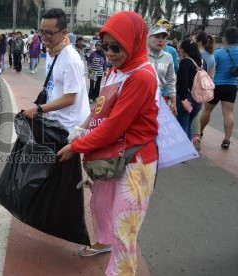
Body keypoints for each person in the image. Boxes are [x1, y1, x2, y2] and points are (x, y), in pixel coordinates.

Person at [57, 11, 159, 276]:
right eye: (106, 46)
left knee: (125, 223)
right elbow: (101, 110)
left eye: (118, 47)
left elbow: (114, 126)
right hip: (109, 154)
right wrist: (81, 129)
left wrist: (76, 147)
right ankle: (103, 241)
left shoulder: (142, 76)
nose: (110, 53)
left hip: (135, 159)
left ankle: (120, 272)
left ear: (134, 42)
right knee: (101, 205)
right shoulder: (115, 70)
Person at [22, 8, 90, 133]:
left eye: (48, 33)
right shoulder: (51, 51)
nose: (44, 37)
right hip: (54, 120)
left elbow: (70, 98)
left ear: (64, 32)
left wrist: (39, 109)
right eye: (41, 32)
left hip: (69, 127)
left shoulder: (71, 59)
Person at [200, 27, 238, 149]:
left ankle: (199, 132)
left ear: (225, 38)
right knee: (228, 113)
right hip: (232, 86)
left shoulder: (219, 52)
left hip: (217, 85)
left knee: (207, 110)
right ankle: (227, 139)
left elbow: (211, 65)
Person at [176, 38, 207, 140]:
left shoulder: (185, 62)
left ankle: (182, 153)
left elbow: (182, 83)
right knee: (189, 125)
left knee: (182, 128)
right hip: (198, 100)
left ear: (184, 50)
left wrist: (183, 99)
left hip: (186, 99)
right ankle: (189, 151)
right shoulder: (203, 62)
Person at [191, 31, 216, 151]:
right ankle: (196, 137)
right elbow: (211, 75)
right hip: (203, 89)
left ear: (199, 41)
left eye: (194, 38)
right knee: (196, 112)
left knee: (187, 113)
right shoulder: (211, 56)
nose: (192, 39)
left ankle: (190, 137)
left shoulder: (194, 54)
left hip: (191, 87)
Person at [147, 24, 176, 114]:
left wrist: (174, 102)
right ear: (149, 38)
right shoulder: (141, 55)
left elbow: (170, 80)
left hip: (161, 99)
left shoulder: (168, 57)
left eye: (163, 37)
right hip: (142, 98)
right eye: (157, 36)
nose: (160, 40)